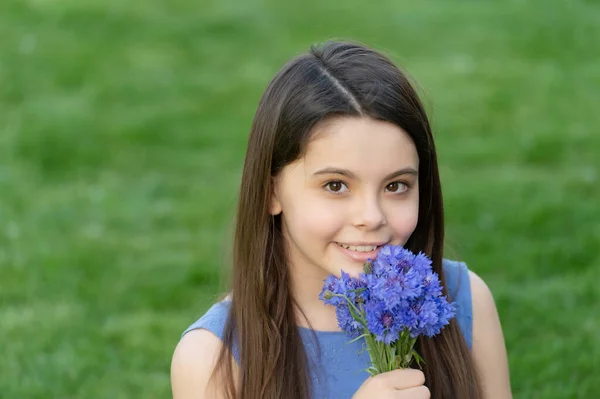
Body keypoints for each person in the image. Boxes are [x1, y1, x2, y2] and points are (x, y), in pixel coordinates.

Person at [170, 40, 512, 399]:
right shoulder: (213, 358)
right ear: (271, 191)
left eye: (396, 185)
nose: (371, 217)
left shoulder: (462, 299)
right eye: (336, 185)